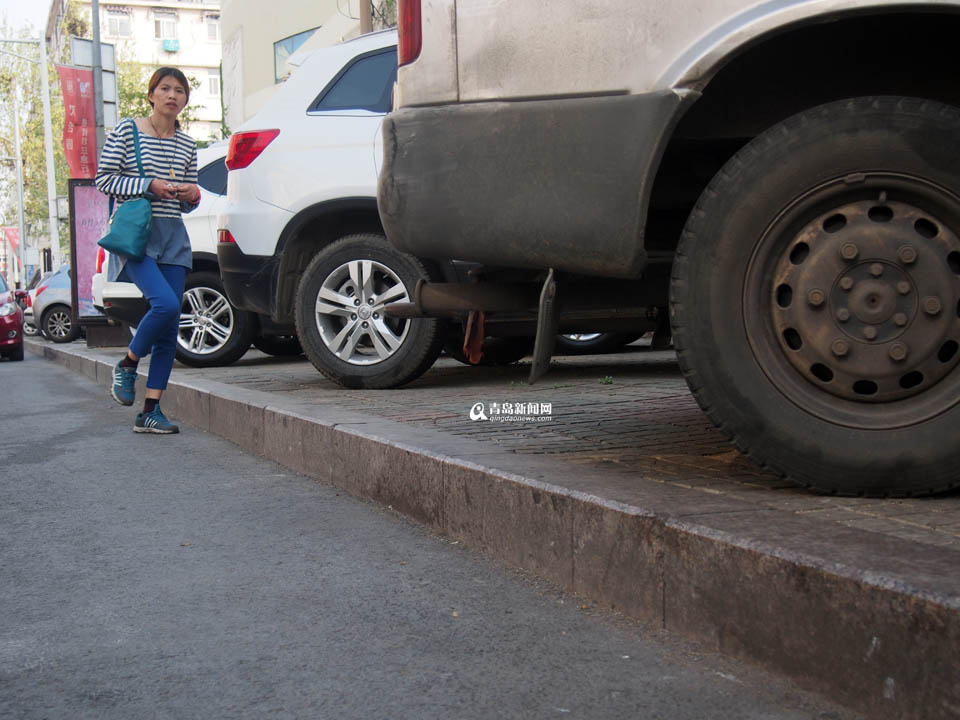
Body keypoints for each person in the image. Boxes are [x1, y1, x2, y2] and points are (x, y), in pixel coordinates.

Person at [95, 67, 201, 434]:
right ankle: (127, 363)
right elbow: (104, 179)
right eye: (165, 88)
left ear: (185, 100)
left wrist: (193, 195)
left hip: (174, 235)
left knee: (170, 331)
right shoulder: (128, 130)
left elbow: (190, 196)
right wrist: (147, 184)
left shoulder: (188, 144)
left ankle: (150, 410)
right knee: (166, 304)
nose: (173, 95)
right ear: (151, 95)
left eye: (180, 91)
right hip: (138, 235)